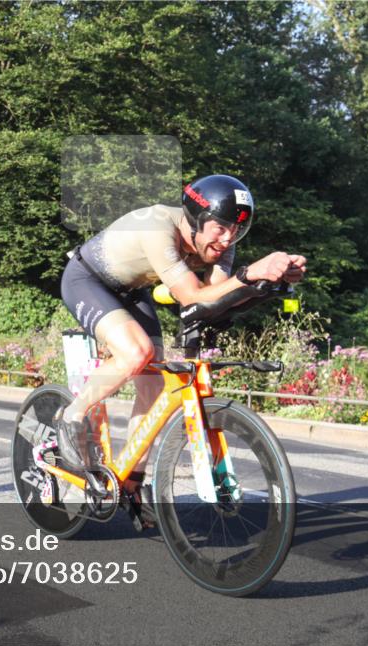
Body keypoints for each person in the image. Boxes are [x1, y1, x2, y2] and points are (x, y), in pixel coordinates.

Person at [55, 174, 307, 496]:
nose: (228, 239)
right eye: (221, 227)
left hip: (132, 290)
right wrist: (249, 274)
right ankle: (73, 415)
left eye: (237, 229)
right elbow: (192, 296)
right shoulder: (159, 226)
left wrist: (270, 284)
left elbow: (215, 296)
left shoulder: (219, 245)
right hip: (87, 280)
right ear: (196, 219)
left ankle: (131, 480)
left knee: (154, 386)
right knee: (136, 353)